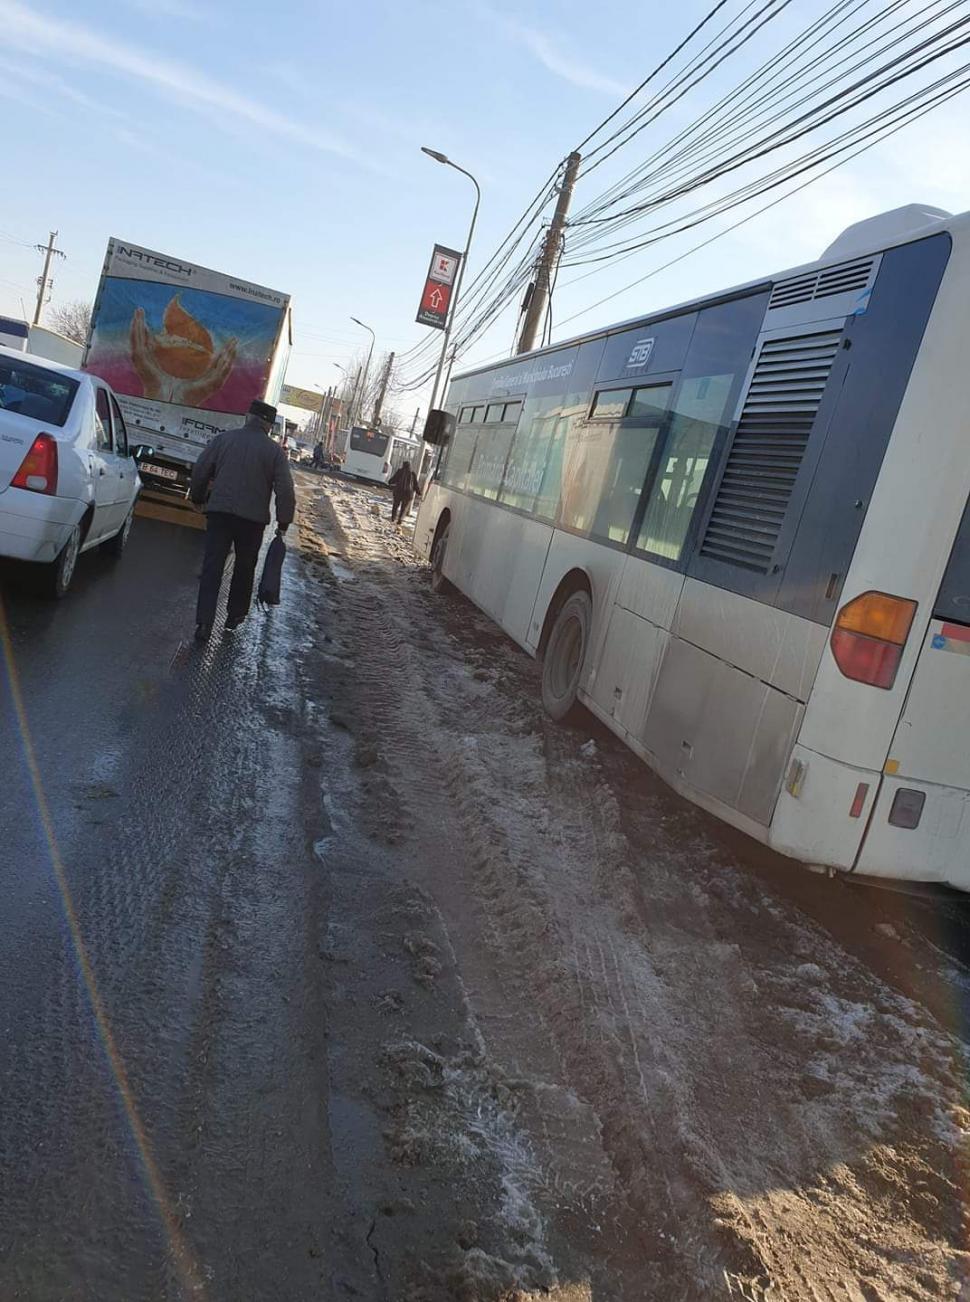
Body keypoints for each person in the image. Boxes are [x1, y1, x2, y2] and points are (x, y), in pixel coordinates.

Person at [189, 399, 296, 642]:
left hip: (220, 513)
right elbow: (285, 489)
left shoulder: (224, 440)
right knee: (245, 567)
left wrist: (197, 496)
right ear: (269, 426)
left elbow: (201, 468)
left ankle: (204, 622)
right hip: (253, 521)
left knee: (212, 566)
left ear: (247, 416)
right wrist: (283, 521)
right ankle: (234, 616)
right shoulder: (275, 452)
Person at [388, 460, 421, 525]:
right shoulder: (413, 474)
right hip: (408, 494)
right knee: (404, 507)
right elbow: (415, 485)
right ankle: (400, 519)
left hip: (398, 492)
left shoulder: (400, 471)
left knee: (395, 505)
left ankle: (393, 518)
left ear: (403, 465)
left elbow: (392, 480)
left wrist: (390, 482)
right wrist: (419, 493)